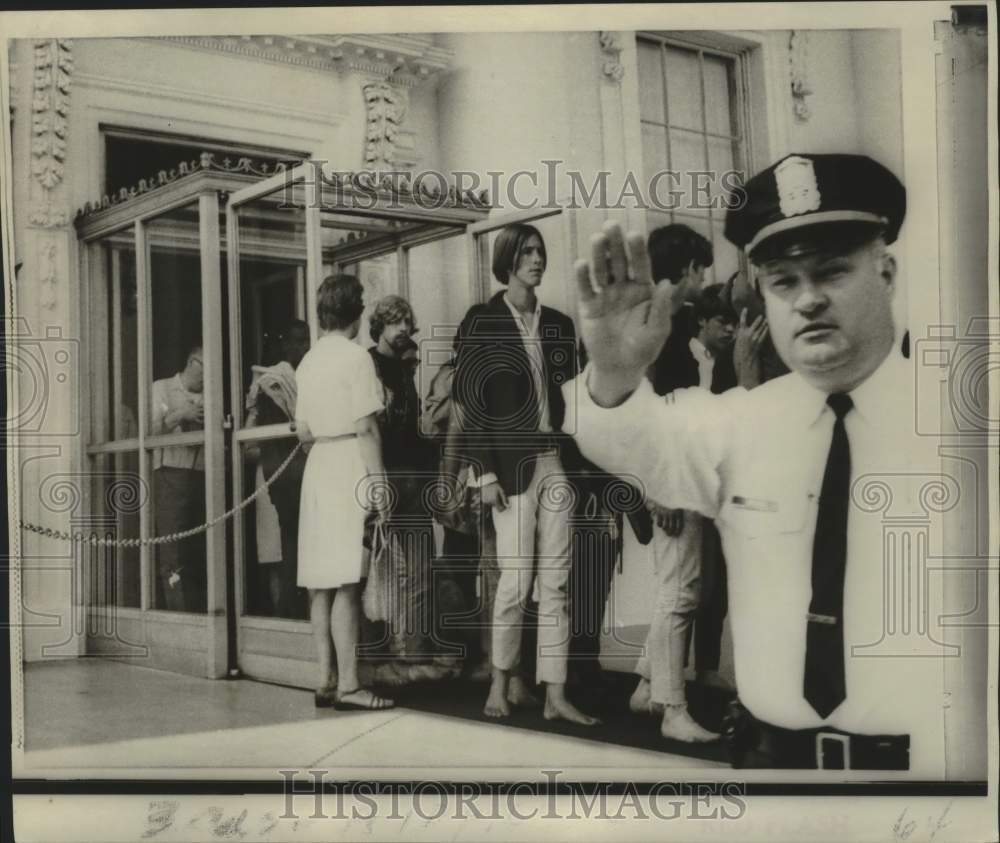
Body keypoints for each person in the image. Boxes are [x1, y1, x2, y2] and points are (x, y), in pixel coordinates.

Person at [567, 153, 944, 772]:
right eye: (783, 281)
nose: (809, 300)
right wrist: (614, 369)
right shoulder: (744, 420)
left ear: (887, 271)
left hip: (928, 771)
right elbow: (627, 440)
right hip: (772, 765)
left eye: (834, 272)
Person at [454, 223, 599, 725]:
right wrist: (483, 474)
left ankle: (555, 695)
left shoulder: (558, 324)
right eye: (527, 252)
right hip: (508, 469)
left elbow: (578, 400)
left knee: (556, 582)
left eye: (540, 251)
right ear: (508, 260)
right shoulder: (481, 321)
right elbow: (471, 405)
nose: (537, 259)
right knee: (515, 581)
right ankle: (500, 685)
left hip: (554, 461)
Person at [294, 274, 393, 711]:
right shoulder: (356, 358)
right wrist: (379, 481)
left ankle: (325, 680)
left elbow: (303, 430)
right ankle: (351, 685)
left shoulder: (308, 361)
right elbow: (367, 426)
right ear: (356, 312)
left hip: (319, 465)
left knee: (320, 583)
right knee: (348, 581)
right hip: (350, 464)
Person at [366, 295, 455, 682]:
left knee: (414, 571)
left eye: (406, 322)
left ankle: (411, 652)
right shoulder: (370, 365)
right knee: (399, 572)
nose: (403, 328)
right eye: (395, 322)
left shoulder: (403, 370)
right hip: (390, 477)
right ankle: (405, 656)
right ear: (380, 326)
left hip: (411, 477)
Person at [245, 319, 311, 619]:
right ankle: (290, 616)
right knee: (288, 550)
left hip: (309, 474)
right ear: (284, 345)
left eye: (306, 340)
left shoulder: (311, 375)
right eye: (295, 341)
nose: (302, 347)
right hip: (285, 478)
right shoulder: (273, 383)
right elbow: (270, 438)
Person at [150, 344, 207, 613]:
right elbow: (149, 432)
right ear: (192, 363)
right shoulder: (161, 388)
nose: (208, 377)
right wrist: (181, 415)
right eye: (206, 369)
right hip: (170, 473)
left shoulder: (211, 393)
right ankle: (177, 616)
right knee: (173, 551)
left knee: (197, 550)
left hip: (203, 475)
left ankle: (199, 614)